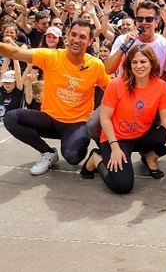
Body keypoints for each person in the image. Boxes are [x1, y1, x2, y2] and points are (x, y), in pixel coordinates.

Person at [1, 20, 110, 175]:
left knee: (73, 157)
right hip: (49, 119)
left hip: (77, 123)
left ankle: (77, 144)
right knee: (11, 118)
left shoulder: (96, 65)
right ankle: (47, 152)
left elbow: (111, 89)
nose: (76, 39)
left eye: (82, 36)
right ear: (67, 36)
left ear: (90, 41)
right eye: (73, 34)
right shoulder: (51, 56)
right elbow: (15, 53)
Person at [80, 45, 166, 193]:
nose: (139, 66)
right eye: (134, 62)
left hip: (142, 134)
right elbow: (104, 118)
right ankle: (96, 158)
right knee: (122, 186)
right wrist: (114, 147)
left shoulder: (160, 85)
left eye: (143, 61)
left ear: (152, 63)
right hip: (117, 138)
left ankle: (150, 157)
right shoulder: (116, 84)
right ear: (129, 65)